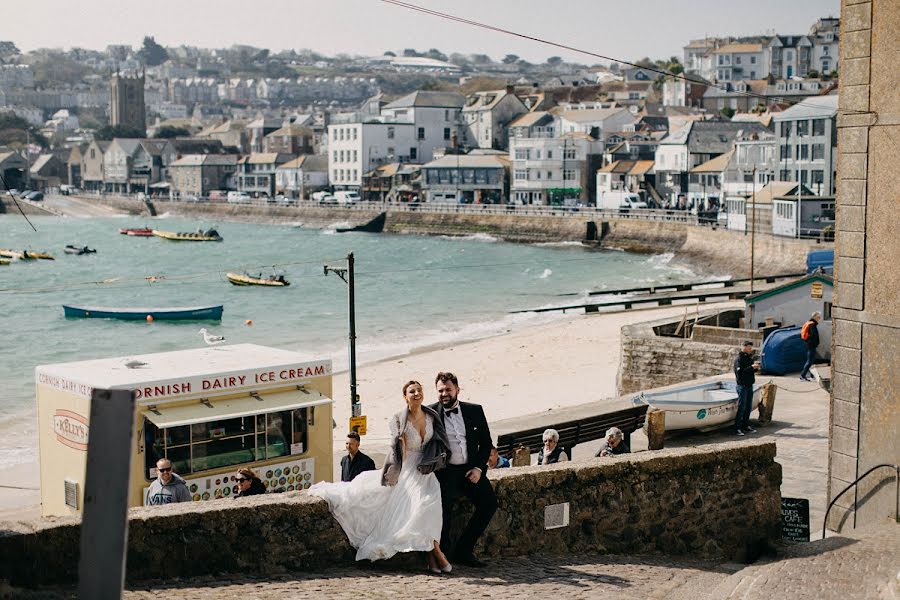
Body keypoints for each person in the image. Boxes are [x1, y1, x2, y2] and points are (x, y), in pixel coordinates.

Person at [309, 381, 452, 573]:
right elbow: (397, 450)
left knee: (430, 509)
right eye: (412, 391)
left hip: (426, 469)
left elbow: (439, 440)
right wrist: (399, 447)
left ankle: (432, 559)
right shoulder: (397, 419)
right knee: (422, 505)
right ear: (405, 396)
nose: (417, 393)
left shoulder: (432, 415)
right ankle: (438, 555)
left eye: (419, 390)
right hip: (407, 469)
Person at [431, 372, 497, 568]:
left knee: (489, 504)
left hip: (471, 471)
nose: (444, 394)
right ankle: (443, 556)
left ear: (457, 390)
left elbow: (486, 444)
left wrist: (478, 468)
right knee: (443, 512)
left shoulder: (475, 411)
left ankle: (464, 550)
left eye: (448, 390)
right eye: (441, 390)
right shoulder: (431, 414)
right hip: (446, 472)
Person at [733, 340, 761, 436]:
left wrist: (755, 368)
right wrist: (751, 367)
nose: (750, 350)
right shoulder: (739, 359)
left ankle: (746, 425)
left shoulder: (749, 358)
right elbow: (740, 373)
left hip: (749, 386)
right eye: (749, 348)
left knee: (748, 407)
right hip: (742, 386)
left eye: (751, 348)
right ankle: (737, 428)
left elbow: (750, 371)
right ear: (744, 347)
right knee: (742, 408)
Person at [799, 311, 822, 381]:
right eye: (818, 317)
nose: (819, 319)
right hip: (811, 345)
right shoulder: (812, 325)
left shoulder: (809, 323)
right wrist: (814, 343)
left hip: (810, 345)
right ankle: (802, 376)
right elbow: (813, 335)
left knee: (812, 361)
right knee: (809, 361)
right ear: (814, 317)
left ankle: (812, 376)